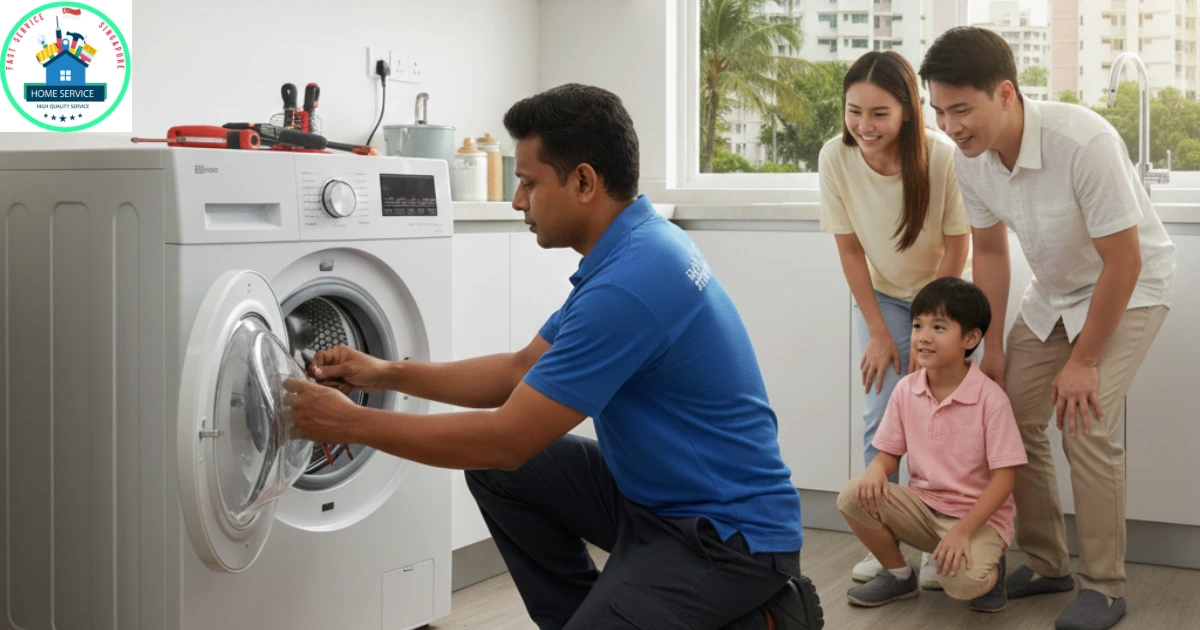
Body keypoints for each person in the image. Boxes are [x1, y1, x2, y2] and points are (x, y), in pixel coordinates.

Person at [283, 83, 823, 630]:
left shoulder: (633, 282)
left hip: (726, 536)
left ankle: (764, 619)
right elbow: (519, 370)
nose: (518, 201)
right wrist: (385, 372)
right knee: (498, 477)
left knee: (501, 458)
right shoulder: (635, 246)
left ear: (584, 181)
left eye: (529, 183)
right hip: (653, 499)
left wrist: (351, 423)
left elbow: (508, 439)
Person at [919, 27, 1176, 630]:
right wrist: (992, 345)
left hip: (1129, 290)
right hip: (1055, 294)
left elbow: (1126, 260)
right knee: (1005, 409)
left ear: (1005, 93)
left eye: (962, 109)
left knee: (1084, 420)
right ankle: (1046, 559)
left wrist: (1083, 361)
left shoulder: (1082, 141)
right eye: (940, 111)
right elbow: (989, 254)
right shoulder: (972, 162)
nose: (951, 126)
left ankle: (1104, 585)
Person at [818, 50, 970, 587]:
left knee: (937, 417)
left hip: (942, 295)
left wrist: (931, 325)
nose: (864, 125)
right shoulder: (835, 158)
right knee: (884, 412)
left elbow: (958, 244)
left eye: (879, 113)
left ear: (907, 110)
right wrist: (880, 332)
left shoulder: (942, 156)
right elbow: (851, 251)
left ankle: (936, 540)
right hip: (881, 296)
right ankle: (886, 541)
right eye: (853, 111)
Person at [837, 277, 1026, 613]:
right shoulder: (906, 390)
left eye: (938, 327)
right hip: (923, 510)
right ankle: (898, 575)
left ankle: (992, 570)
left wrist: (963, 532)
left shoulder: (990, 400)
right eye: (917, 325)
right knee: (854, 494)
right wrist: (876, 471)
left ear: (970, 338)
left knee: (962, 585)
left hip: (977, 520)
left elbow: (1004, 480)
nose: (923, 336)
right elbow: (889, 455)